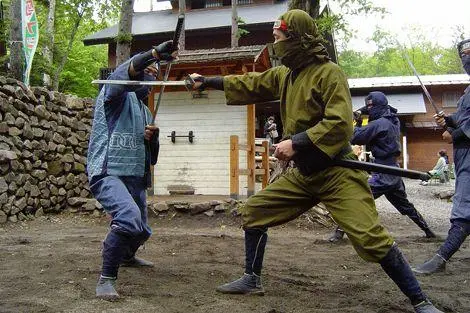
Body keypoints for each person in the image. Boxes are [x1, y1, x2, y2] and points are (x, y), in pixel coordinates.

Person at [191, 10, 442, 313]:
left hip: (338, 173)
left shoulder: (328, 73)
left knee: (369, 237)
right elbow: (251, 83)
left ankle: (420, 300)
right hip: (304, 175)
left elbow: (340, 124)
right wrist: (208, 81)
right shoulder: (285, 75)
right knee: (255, 210)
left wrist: (295, 143)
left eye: (278, 37)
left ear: (296, 38)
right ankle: (252, 278)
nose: (274, 44)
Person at [87, 40, 178, 300]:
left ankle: (127, 256)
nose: (151, 76)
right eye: (147, 72)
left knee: (141, 230)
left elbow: (153, 160)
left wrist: (154, 140)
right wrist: (152, 55)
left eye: (155, 74)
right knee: (127, 218)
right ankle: (105, 280)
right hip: (108, 171)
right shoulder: (112, 95)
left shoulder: (146, 112)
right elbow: (122, 75)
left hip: (134, 177)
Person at [328, 92, 436, 242]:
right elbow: (380, 109)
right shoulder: (393, 119)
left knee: (357, 197)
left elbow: (355, 137)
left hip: (383, 171)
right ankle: (428, 231)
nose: (369, 109)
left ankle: (338, 234)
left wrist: (356, 121)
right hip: (393, 170)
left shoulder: (379, 124)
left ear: (378, 106)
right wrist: (363, 111)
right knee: (405, 205)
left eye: (371, 106)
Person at [412, 38, 470, 275]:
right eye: (463, 54)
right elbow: (463, 119)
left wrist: (454, 135)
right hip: (464, 156)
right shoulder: (467, 92)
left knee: (464, 211)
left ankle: (441, 258)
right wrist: (447, 119)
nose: (466, 57)